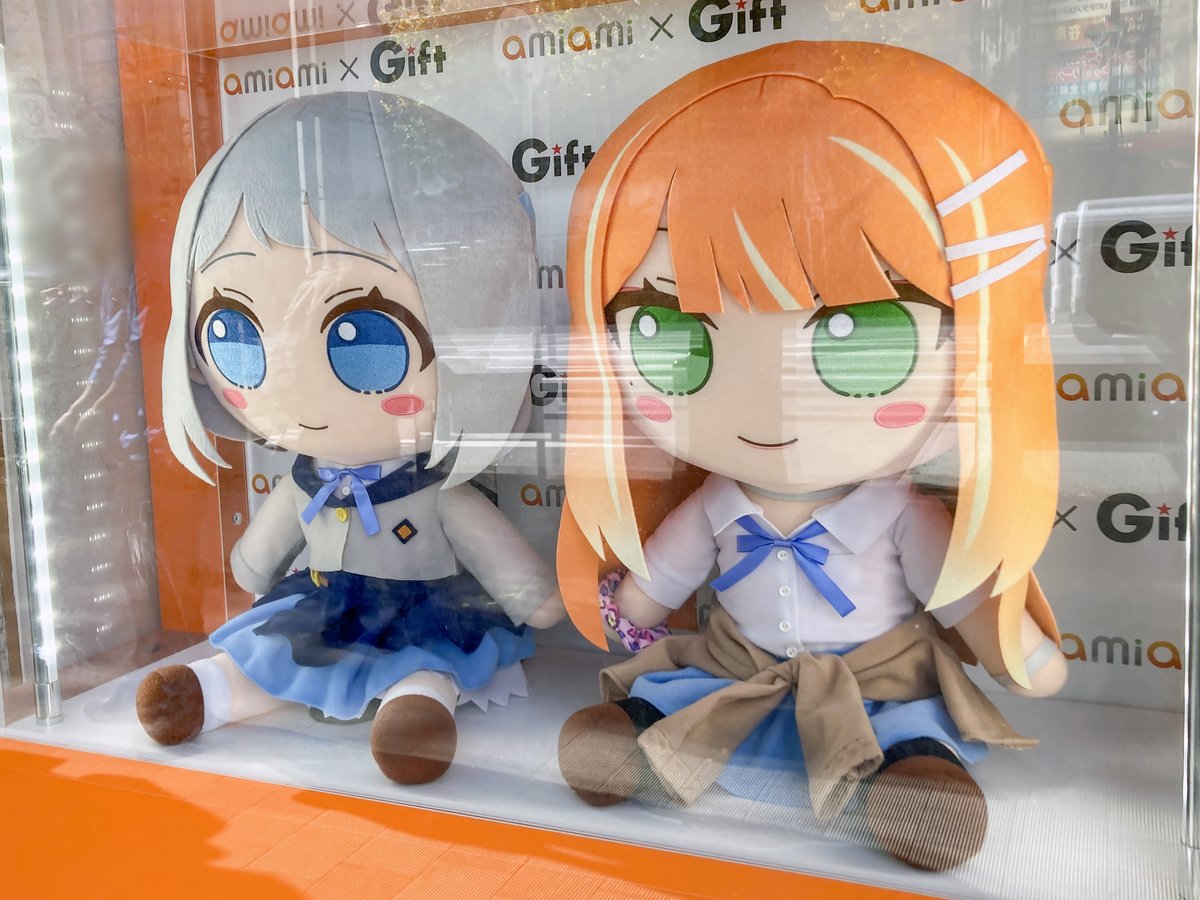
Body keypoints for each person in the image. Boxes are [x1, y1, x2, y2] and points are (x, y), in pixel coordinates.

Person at [554, 42, 1066, 871]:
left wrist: (1020, 652)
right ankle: (637, 736)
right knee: (674, 700)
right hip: (737, 666)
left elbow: (964, 593)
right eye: (670, 334)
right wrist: (627, 611)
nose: (772, 399)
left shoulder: (901, 516)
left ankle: (910, 778)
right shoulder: (717, 503)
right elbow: (659, 584)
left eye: (863, 338)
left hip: (873, 680)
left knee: (906, 730)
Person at [137, 92, 564, 785]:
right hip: (321, 601)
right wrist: (252, 570)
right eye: (235, 335)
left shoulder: (434, 491)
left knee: (426, 662)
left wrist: (535, 601)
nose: (295, 383)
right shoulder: (305, 479)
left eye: (365, 341)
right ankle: (210, 692)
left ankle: (418, 709)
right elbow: (259, 561)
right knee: (272, 649)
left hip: (421, 605)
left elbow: (506, 568)